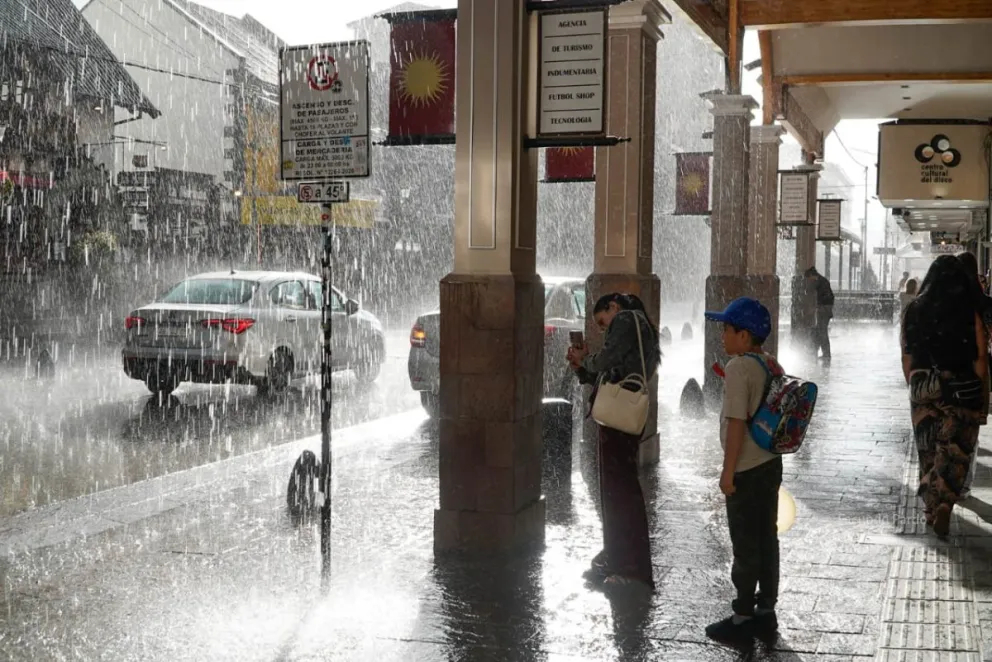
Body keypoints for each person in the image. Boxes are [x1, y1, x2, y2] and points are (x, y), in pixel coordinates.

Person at [702, 297, 782, 644]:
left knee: (745, 543)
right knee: (767, 538)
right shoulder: (769, 363)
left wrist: (727, 472)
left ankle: (742, 616)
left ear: (746, 335)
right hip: (770, 464)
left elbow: (736, 424)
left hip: (747, 468)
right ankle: (766, 609)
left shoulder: (738, 368)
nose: (723, 335)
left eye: (728, 329)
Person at [568, 293, 660, 591]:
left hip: (618, 424)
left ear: (613, 307)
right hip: (619, 419)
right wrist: (582, 366)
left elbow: (607, 360)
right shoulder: (640, 326)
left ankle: (630, 569)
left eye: (602, 321)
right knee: (619, 492)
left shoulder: (625, 319)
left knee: (620, 494)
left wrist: (587, 359)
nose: (603, 329)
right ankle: (617, 558)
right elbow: (607, 372)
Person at [902, 255, 987, 538]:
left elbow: (907, 355)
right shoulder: (969, 312)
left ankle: (930, 507)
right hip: (961, 385)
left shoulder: (915, 309)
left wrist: (916, 391)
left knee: (927, 451)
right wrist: (981, 392)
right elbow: (980, 358)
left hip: (923, 384)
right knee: (955, 451)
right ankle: (945, 507)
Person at [956, 251, 992, 495]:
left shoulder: (948, 302)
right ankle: (965, 484)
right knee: (972, 430)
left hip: (953, 371)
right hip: (980, 373)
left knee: (951, 429)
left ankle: (951, 482)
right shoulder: (986, 303)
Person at [805, 267, 835, 360]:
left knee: (822, 332)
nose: (809, 280)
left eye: (808, 278)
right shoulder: (822, 281)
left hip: (824, 310)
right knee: (820, 331)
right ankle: (820, 351)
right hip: (825, 309)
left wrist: (817, 308)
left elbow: (825, 297)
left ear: (811, 276)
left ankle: (826, 354)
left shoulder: (820, 282)